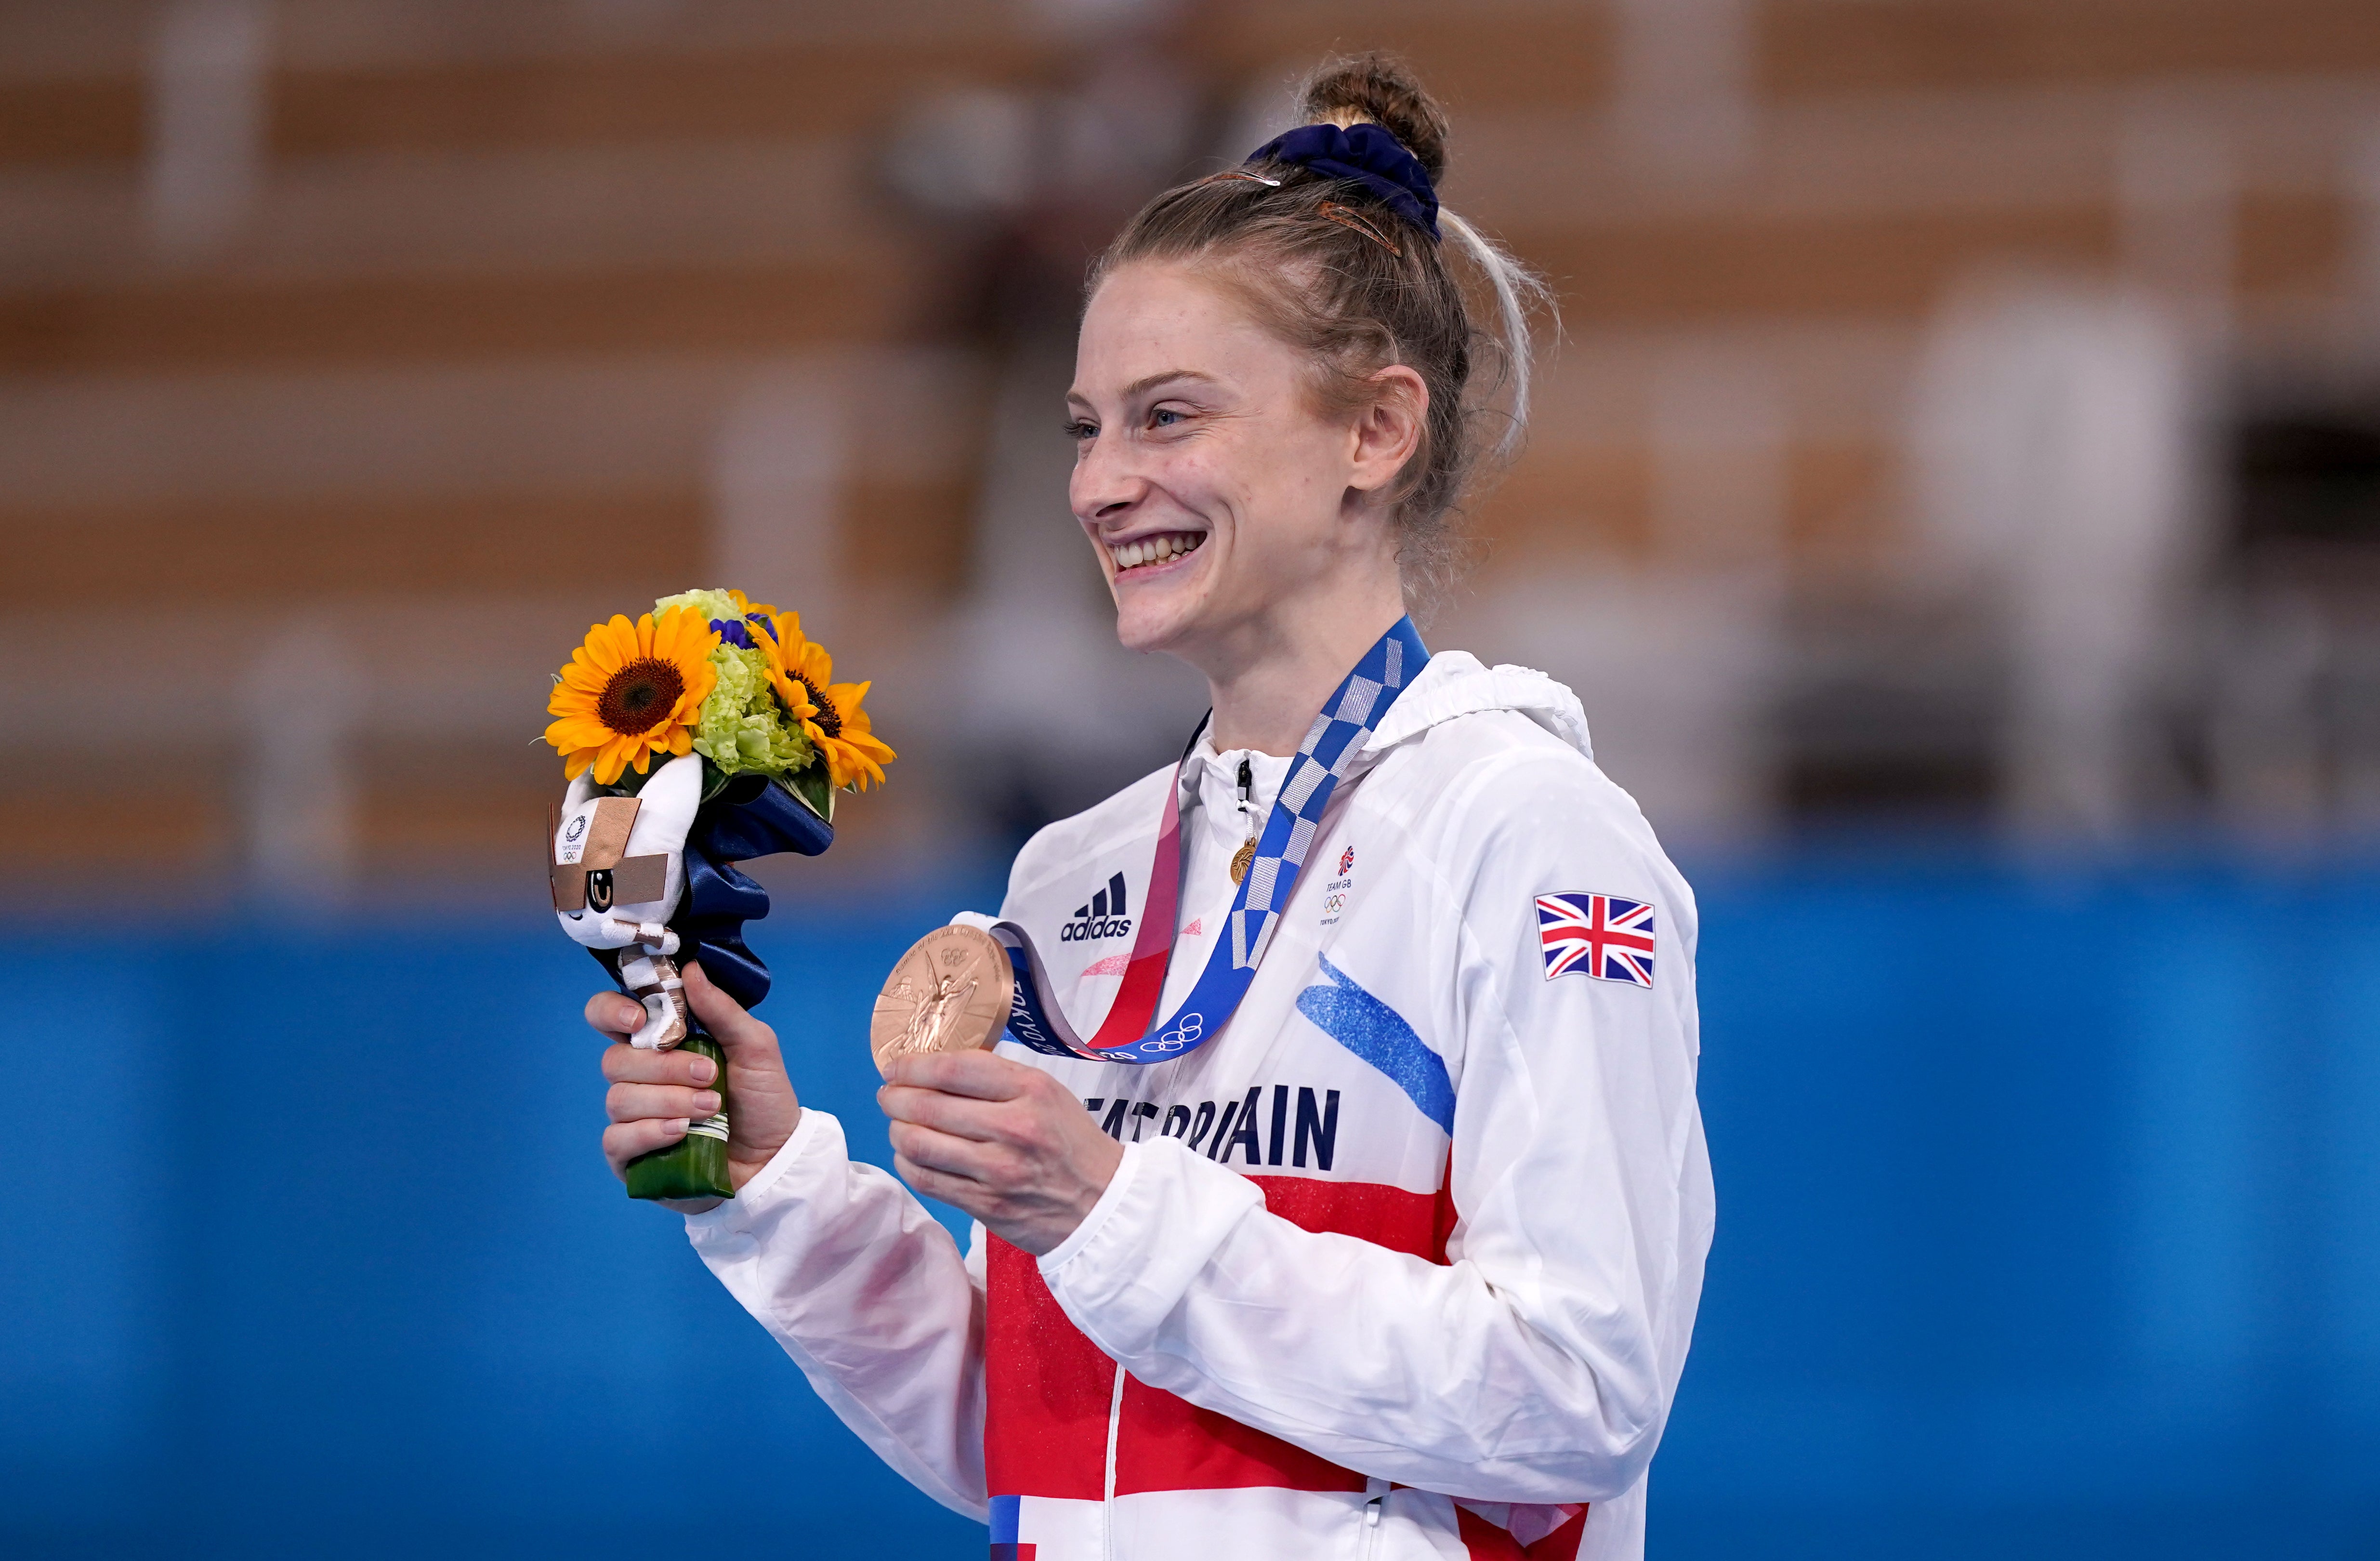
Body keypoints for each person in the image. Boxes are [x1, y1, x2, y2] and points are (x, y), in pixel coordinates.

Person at [589, 54, 1713, 1561]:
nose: (1102, 484)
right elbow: (1055, 1435)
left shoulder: (1526, 836)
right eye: (1083, 427)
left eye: (1168, 418)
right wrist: (779, 1187)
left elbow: (1576, 1395)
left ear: (1375, 434)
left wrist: (1115, 1208)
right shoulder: (1073, 879)